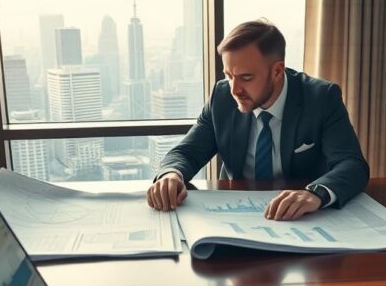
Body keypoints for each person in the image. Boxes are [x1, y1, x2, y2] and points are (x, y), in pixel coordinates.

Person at [146, 19, 369, 221]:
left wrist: (315, 194)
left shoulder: (321, 98)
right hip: (237, 214)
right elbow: (186, 152)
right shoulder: (222, 97)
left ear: (277, 71)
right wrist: (171, 174)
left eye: (246, 77)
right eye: (228, 75)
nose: (234, 89)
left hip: (300, 218)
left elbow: (352, 165)